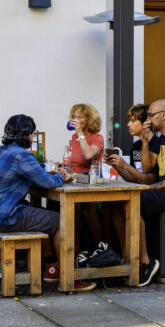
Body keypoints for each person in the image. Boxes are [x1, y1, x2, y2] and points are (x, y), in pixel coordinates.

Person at [0, 115, 95, 291]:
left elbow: (31, 171)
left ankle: (51, 267)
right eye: (32, 133)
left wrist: (46, 171)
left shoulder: (2, 151)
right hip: (4, 216)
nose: (32, 137)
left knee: (39, 213)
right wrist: (61, 175)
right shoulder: (22, 155)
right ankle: (69, 278)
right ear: (27, 135)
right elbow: (49, 183)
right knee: (62, 220)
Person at [106, 99, 165, 287]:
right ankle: (127, 257)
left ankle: (145, 262)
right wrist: (146, 139)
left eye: (151, 115)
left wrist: (147, 189)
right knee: (118, 203)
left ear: (163, 115)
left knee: (133, 202)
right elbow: (148, 167)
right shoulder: (164, 138)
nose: (148, 119)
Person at [67, 103, 104, 249]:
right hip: (74, 178)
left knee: (90, 208)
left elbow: (88, 155)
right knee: (68, 211)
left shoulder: (97, 138)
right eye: (74, 117)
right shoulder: (74, 137)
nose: (76, 120)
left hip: (89, 179)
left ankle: (98, 247)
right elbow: (73, 161)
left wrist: (81, 134)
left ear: (90, 119)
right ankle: (74, 249)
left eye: (80, 117)